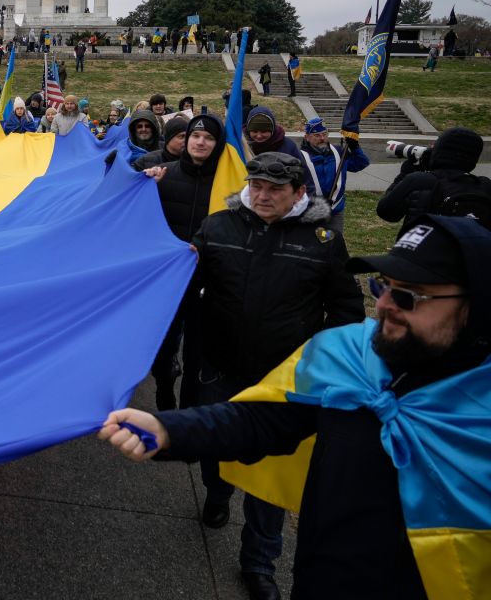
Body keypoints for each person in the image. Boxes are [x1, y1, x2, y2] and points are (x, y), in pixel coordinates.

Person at [100, 214, 491, 600]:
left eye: (408, 296)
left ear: (475, 305)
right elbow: (263, 419)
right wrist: (169, 431)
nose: (385, 305)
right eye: (382, 286)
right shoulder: (351, 357)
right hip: (318, 579)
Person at [151, 152, 364, 597]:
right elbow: (181, 282)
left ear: (299, 193)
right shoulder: (218, 226)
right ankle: (217, 493)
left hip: (284, 383)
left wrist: (316, 361)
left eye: (275, 189)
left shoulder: (323, 241)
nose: (262, 196)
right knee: (217, 448)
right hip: (220, 369)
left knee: (270, 471)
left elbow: (345, 311)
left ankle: (260, 563)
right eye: (257, 186)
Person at [142, 114, 225, 410]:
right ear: (186, 140)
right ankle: (165, 396)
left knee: (197, 356)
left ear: (218, 144)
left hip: (209, 284)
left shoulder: (227, 184)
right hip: (169, 283)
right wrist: (145, 185)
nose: (201, 142)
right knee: (163, 350)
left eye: (209, 138)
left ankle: (189, 415)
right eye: (195, 136)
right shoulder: (163, 175)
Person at [377, 126, 491, 234]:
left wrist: (404, 174)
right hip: (471, 252)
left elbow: (386, 212)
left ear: (439, 150)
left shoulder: (419, 180)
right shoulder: (485, 185)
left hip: (422, 251)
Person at [297, 117, 369, 232]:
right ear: (307, 137)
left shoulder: (338, 152)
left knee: (334, 244)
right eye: (317, 135)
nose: (322, 138)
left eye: (324, 134)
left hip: (335, 211)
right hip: (310, 212)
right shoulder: (300, 157)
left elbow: (360, 164)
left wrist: (355, 146)